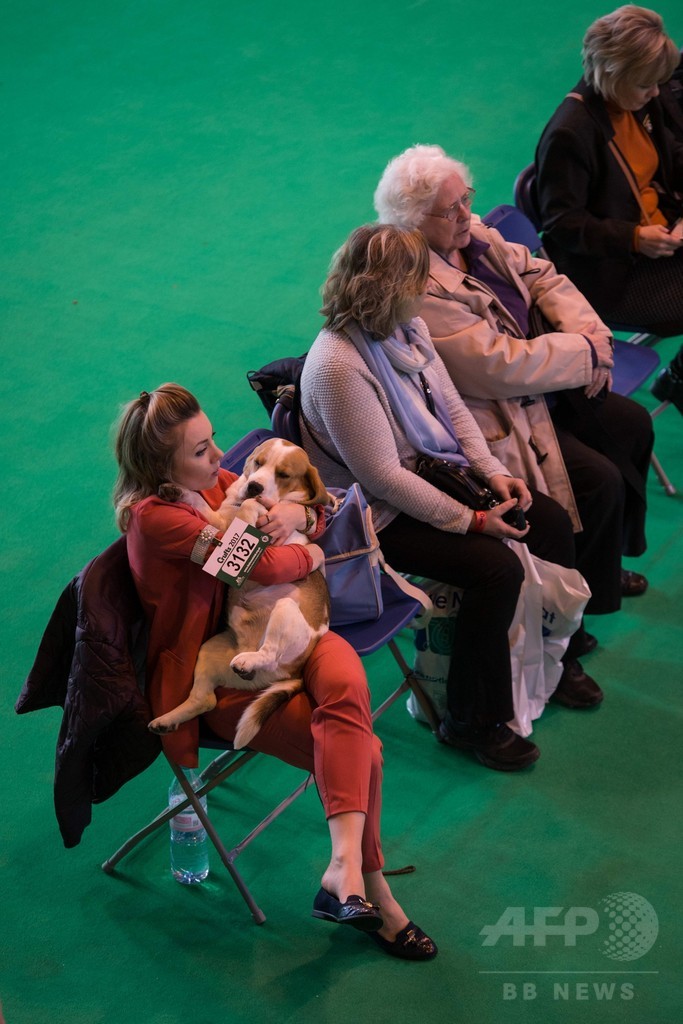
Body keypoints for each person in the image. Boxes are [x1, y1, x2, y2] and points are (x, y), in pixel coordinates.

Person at [113, 383, 437, 961]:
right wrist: (312, 551)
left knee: (346, 685)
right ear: (162, 467)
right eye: (202, 450)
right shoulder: (159, 519)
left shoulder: (209, 484)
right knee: (364, 753)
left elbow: (321, 506)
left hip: (287, 634)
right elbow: (253, 567)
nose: (221, 458)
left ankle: (344, 874)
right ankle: (375, 894)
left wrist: (299, 512)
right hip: (222, 668)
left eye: (214, 441)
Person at [299, 223, 603, 776]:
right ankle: (470, 720)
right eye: (419, 281)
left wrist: (495, 474)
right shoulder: (338, 366)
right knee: (494, 569)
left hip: (433, 474)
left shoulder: (407, 328)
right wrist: (474, 520)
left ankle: (555, 657)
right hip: (375, 517)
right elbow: (384, 479)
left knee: (549, 520)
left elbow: (455, 412)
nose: (427, 290)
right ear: (389, 290)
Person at [374, 143, 654, 629]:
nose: (466, 213)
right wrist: (585, 354)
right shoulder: (417, 285)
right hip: (502, 412)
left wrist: (591, 336)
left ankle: (602, 569)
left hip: (549, 382)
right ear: (414, 222)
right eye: (450, 209)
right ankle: (572, 614)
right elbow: (497, 366)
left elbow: (542, 276)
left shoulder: (476, 237)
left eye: (466, 198)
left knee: (633, 424)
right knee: (598, 480)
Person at [534, 6, 683, 341]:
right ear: (613, 75)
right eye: (646, 85)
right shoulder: (569, 135)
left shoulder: (636, 98)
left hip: (661, 233)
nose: (655, 92)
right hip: (612, 271)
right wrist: (634, 238)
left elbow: (670, 153)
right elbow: (562, 224)